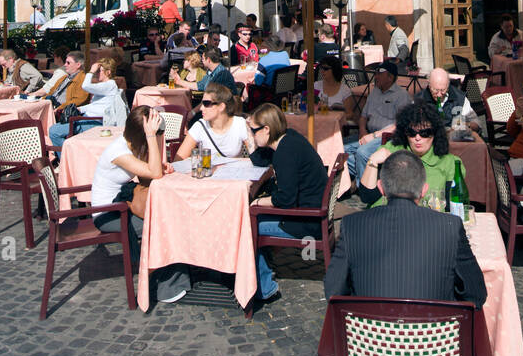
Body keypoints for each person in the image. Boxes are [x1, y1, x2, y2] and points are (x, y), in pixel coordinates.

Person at [324, 151, 487, 306]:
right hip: (434, 331)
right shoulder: (449, 226)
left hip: (370, 332)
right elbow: (476, 294)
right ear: (424, 190)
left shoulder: (352, 225)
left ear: (381, 188)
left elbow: (333, 290)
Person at [89, 105, 188, 302]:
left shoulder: (133, 146)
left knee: (171, 219)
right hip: (108, 214)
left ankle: (172, 279)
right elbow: (154, 174)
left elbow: (152, 173)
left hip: (123, 205)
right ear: (143, 133)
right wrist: (152, 139)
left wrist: (158, 159)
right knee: (167, 227)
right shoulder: (119, 152)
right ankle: (166, 286)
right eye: (154, 131)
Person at [247, 102, 329, 305]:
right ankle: (265, 267)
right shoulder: (289, 138)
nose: (252, 134)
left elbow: (285, 199)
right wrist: (252, 140)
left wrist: (257, 201)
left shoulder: (285, 152)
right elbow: (259, 159)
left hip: (307, 221)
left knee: (249, 224)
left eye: (254, 130)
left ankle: (265, 287)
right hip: (312, 210)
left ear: (266, 129)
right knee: (256, 214)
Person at [357, 100, 469, 207]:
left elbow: (453, 206)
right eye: (411, 132)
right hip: (386, 218)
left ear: (435, 133)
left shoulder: (450, 163)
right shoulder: (390, 150)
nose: (417, 138)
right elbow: (367, 197)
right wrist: (373, 160)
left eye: (425, 133)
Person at [344, 61, 410, 180]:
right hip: (369, 132)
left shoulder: (401, 95)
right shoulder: (374, 92)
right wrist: (362, 131)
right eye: (375, 73)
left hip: (387, 137)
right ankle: (365, 177)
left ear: (390, 77)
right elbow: (363, 116)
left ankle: (364, 188)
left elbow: (400, 125)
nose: (376, 76)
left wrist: (373, 136)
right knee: (342, 148)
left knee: (362, 153)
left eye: (379, 73)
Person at [48, 57, 126, 156]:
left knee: (54, 131)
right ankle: (72, 156)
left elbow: (85, 86)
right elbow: (96, 105)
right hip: (88, 118)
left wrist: (91, 72)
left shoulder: (109, 85)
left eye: (100, 71)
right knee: (56, 129)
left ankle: (70, 158)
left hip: (95, 122)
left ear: (108, 72)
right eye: (97, 71)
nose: (97, 73)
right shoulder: (105, 86)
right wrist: (80, 109)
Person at [174, 82, 249, 165]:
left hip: (235, 175)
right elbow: (178, 161)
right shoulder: (199, 126)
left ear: (221, 107)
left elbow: (256, 158)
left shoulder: (240, 124)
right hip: (208, 174)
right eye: (202, 104)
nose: (201, 108)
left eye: (206, 104)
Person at [418, 67, 481, 134]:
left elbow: (476, 124)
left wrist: (466, 125)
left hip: (455, 140)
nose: (439, 95)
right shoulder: (420, 100)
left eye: (442, 90)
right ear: (429, 85)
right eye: (435, 90)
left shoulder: (459, 98)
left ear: (448, 85)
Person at [34, 50, 91, 119]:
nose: (65, 65)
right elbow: (51, 92)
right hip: (49, 104)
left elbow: (78, 100)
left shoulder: (83, 80)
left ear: (78, 65)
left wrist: (59, 109)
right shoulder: (64, 78)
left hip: (60, 111)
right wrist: (41, 100)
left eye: (68, 63)